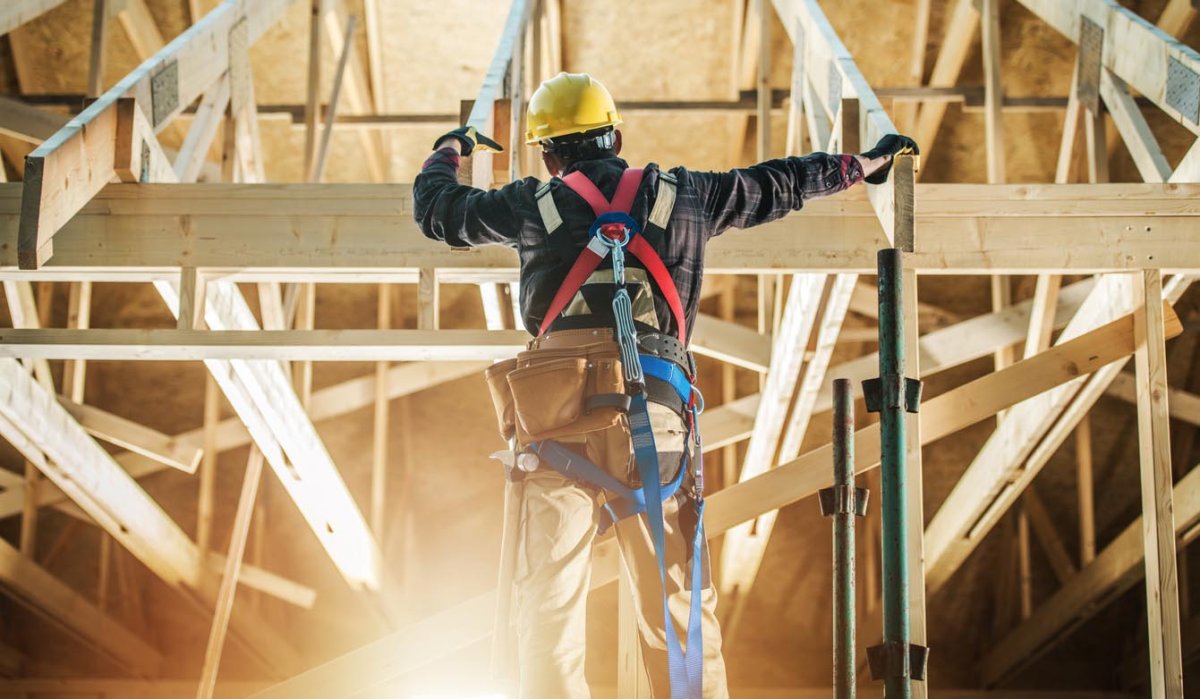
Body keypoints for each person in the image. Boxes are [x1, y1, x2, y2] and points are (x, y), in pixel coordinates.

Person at [414, 71, 916, 699]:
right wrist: (863, 163)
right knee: (677, 606)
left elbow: (438, 213)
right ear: (616, 136)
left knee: (546, 605)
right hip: (651, 420)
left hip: (551, 423)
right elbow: (780, 184)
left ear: (548, 152)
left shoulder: (528, 204)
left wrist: (449, 149)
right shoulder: (686, 197)